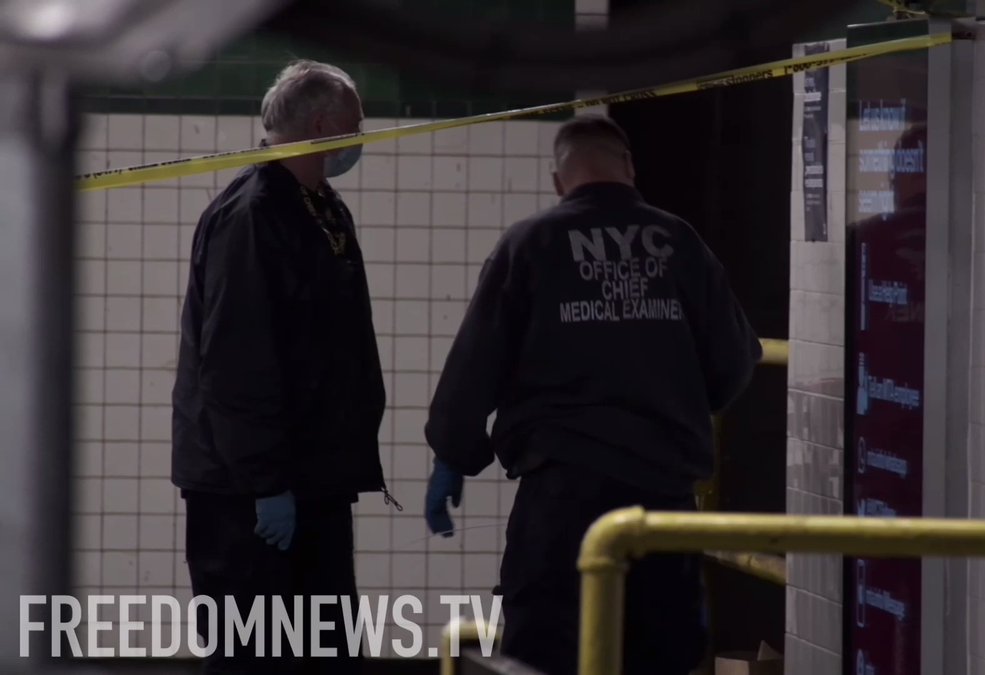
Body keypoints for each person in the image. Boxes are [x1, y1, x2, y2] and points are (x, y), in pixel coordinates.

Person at [423, 114, 762, 675]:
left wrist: (454, 456)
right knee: (661, 653)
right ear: (629, 168)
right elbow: (735, 360)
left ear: (559, 181)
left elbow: (473, 366)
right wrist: (677, 414)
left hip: (563, 498)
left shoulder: (531, 243)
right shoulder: (679, 242)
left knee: (546, 654)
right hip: (663, 499)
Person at [171, 59, 399, 673]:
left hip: (310, 481)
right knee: (253, 656)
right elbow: (235, 363)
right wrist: (267, 481)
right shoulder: (253, 216)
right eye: (356, 123)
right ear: (323, 124)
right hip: (250, 498)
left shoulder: (319, 209)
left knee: (322, 654)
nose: (362, 135)